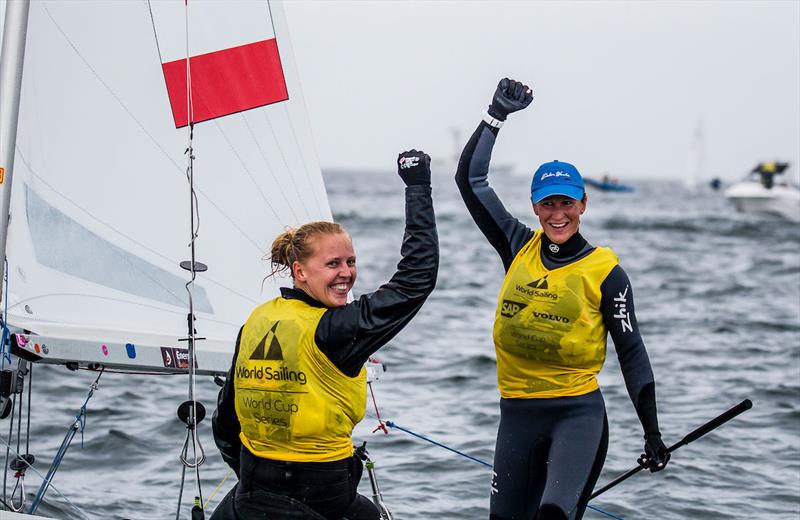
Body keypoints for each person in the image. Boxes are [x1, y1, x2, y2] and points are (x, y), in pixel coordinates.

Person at [455, 78, 669, 520]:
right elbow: (471, 180)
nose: (558, 214)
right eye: (547, 204)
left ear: (583, 205)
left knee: (553, 515)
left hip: (578, 417)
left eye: (567, 204)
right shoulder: (517, 246)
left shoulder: (606, 273)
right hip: (516, 414)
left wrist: (652, 433)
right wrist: (495, 116)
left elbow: (632, 353)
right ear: (535, 207)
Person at [211, 149, 438, 520]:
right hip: (317, 497)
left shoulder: (257, 320)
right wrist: (418, 188)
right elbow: (415, 281)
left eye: (351, 261)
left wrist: (257, 481)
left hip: (250, 494)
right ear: (299, 271)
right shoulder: (333, 330)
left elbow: (225, 422)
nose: (346, 273)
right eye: (332, 264)